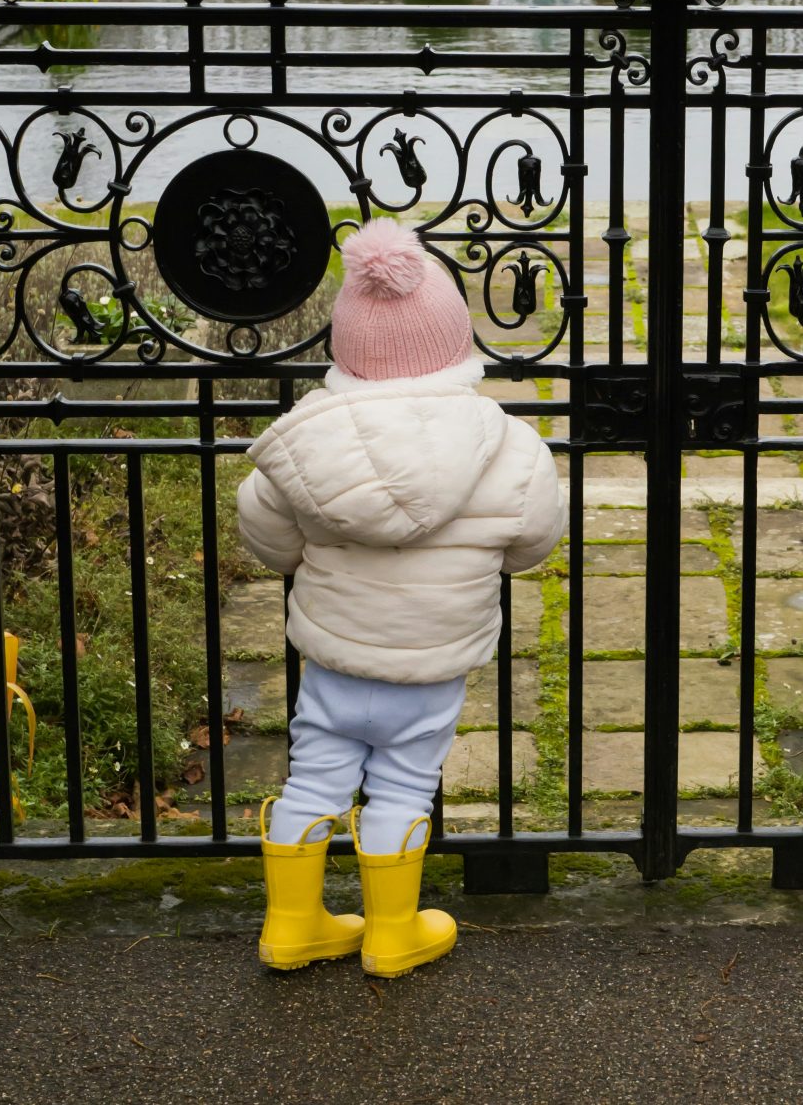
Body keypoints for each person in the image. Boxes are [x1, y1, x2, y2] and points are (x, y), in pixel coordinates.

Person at [235, 219, 564, 977]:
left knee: (313, 777)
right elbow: (530, 547)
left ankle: (291, 927)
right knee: (404, 786)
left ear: (346, 352)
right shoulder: (511, 446)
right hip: (431, 663)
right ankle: (391, 934)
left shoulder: (304, 445)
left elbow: (271, 538)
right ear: (457, 343)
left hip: (336, 659)